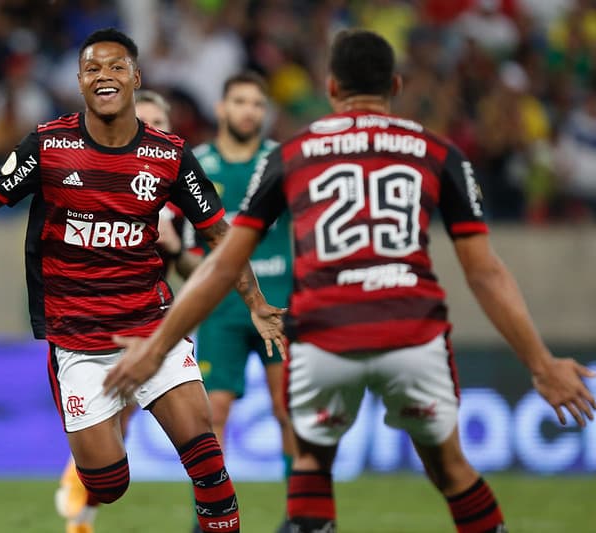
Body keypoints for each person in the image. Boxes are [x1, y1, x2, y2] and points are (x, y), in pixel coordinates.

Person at [105, 29, 596, 533]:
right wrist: (541, 364)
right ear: (396, 85)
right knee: (451, 469)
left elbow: (224, 264)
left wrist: (157, 346)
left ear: (332, 87)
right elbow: (485, 272)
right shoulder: (438, 152)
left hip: (326, 335)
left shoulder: (292, 154)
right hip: (413, 332)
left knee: (311, 463)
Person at [0, 28, 286, 533]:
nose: (104, 76)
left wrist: (255, 302)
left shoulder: (170, 156)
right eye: (93, 68)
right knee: (108, 484)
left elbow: (222, 237)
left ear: (136, 77)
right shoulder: (49, 145)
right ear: (79, 81)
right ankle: (93, 468)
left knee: (205, 458)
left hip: (150, 329)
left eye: (116, 67)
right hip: (77, 339)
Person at [54, 88, 194, 533]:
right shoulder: (100, 181)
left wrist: (177, 248)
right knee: (114, 420)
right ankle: (82, 488)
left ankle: (83, 504)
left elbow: (198, 270)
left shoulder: (178, 193)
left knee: (145, 419)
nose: (149, 131)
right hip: (96, 327)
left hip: (157, 325)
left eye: (158, 123)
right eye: (143, 121)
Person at [183, 71, 296, 532]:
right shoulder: (198, 164)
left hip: (281, 305)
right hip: (221, 310)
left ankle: (299, 515)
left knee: (287, 410)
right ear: (221, 108)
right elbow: (190, 249)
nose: (249, 111)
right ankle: (211, 517)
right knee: (213, 414)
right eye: (240, 101)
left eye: (257, 104)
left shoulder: (283, 161)